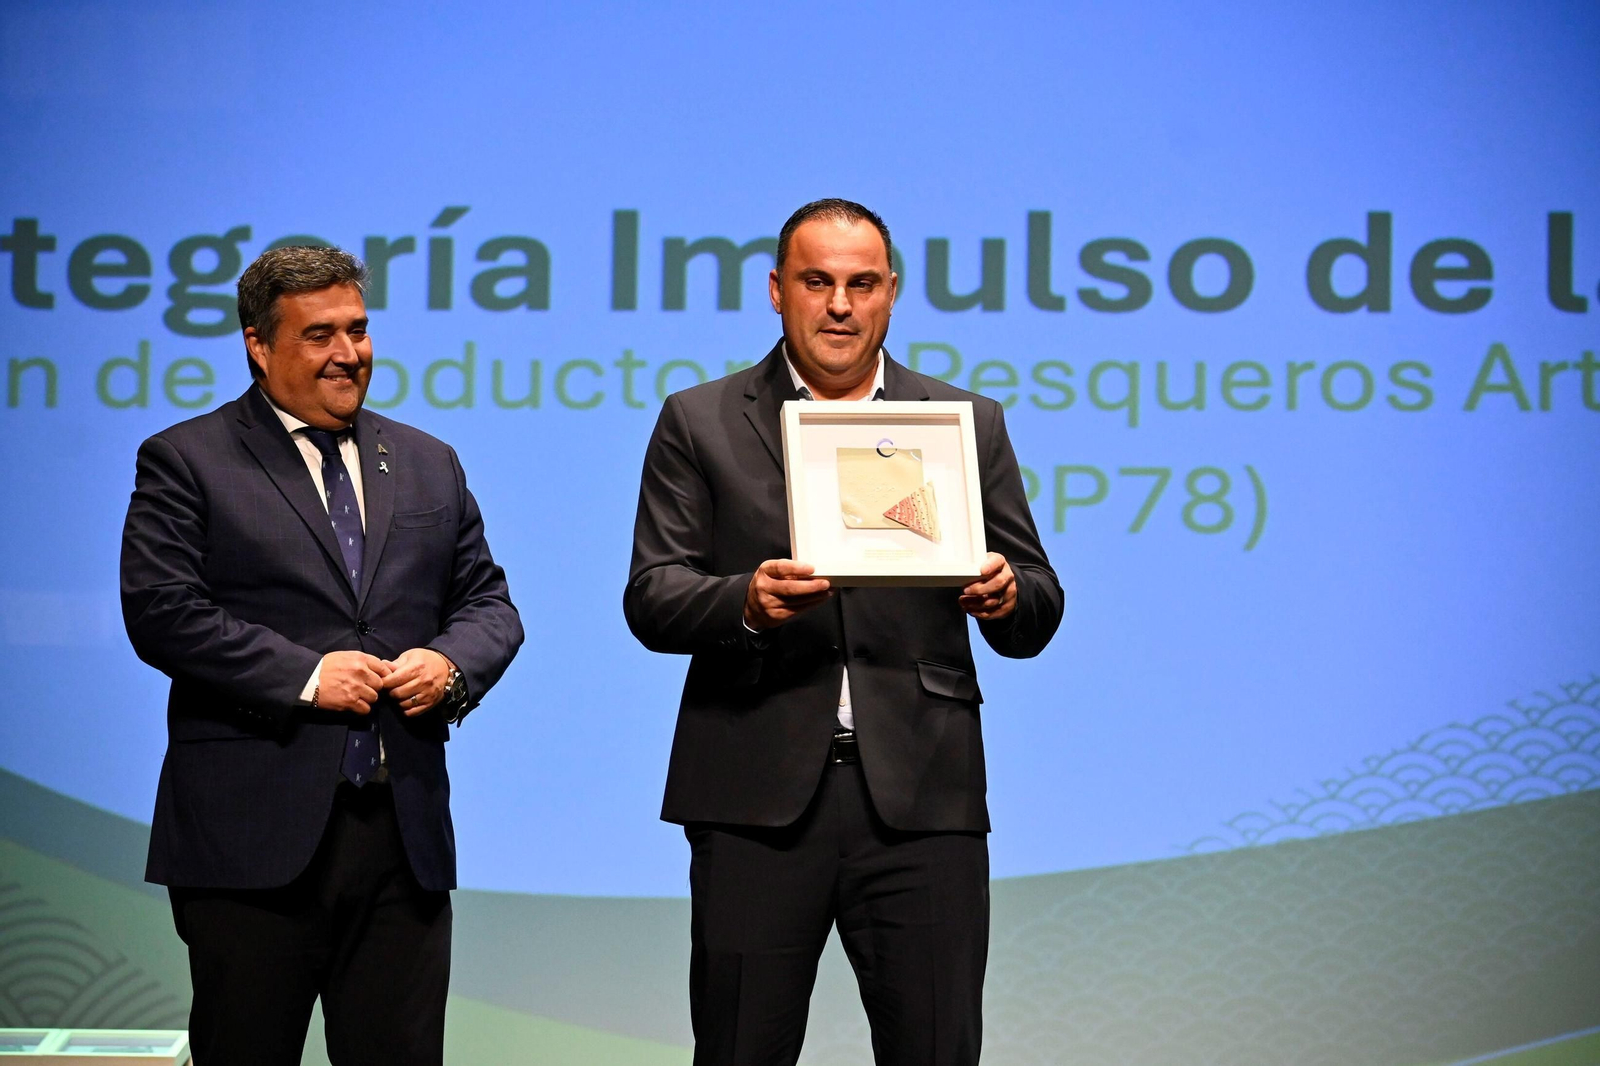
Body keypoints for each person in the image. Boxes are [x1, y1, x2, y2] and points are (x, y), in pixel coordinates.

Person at [625, 199, 1062, 1065]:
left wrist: (1009, 596)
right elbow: (654, 595)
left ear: (891, 294)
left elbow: (1038, 602)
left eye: (861, 284)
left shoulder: (962, 422)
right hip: (753, 797)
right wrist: (746, 601)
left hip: (923, 798)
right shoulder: (700, 419)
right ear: (777, 291)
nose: (839, 304)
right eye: (817, 282)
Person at [120, 245, 523, 1065]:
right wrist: (306, 678)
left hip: (398, 837)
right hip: (250, 842)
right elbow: (162, 612)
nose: (349, 354)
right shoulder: (187, 460)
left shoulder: (426, 462)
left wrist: (450, 667)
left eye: (359, 330)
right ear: (257, 346)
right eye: (319, 336)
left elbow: (488, 604)